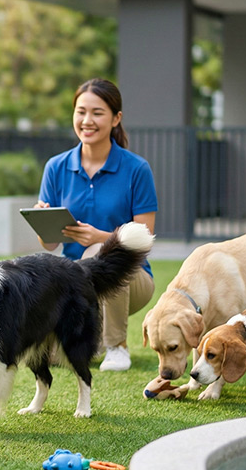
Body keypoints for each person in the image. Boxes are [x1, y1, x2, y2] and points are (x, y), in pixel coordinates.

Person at [33, 78, 157, 372]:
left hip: (130, 278)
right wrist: (43, 222)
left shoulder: (136, 169)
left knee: (100, 252)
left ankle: (117, 346)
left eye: (97, 113)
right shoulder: (56, 167)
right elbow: (49, 245)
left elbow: (145, 237)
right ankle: (94, 338)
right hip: (73, 282)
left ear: (116, 119)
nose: (87, 121)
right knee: (49, 357)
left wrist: (100, 237)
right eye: (81, 112)